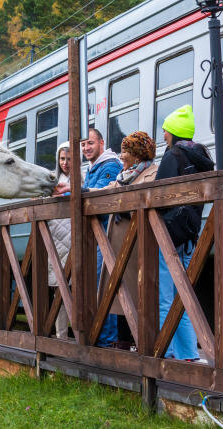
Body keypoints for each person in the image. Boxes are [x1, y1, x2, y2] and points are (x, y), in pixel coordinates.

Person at [156, 105, 214, 361]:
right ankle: (188, 353)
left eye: (166, 131)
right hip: (190, 233)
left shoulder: (173, 157)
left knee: (166, 296)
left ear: (174, 132)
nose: (164, 136)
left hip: (169, 233)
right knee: (185, 295)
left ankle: (166, 352)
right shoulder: (202, 157)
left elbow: (157, 196)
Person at [98, 132, 159, 347]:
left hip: (139, 243)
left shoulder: (152, 173)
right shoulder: (125, 174)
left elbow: (149, 204)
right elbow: (108, 191)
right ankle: (124, 342)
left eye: (126, 151)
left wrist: (124, 210)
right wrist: (87, 192)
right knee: (121, 291)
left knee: (138, 293)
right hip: (121, 243)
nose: (121, 155)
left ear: (137, 154)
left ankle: (141, 342)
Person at [79, 128, 123, 347]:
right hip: (98, 235)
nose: (86, 148)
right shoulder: (93, 167)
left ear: (101, 143)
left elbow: (100, 201)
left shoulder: (110, 165)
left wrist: (75, 192)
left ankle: (107, 341)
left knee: (103, 287)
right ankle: (102, 338)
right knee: (98, 287)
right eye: (83, 145)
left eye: (90, 143)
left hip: (106, 235)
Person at [47, 141, 72, 339]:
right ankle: (61, 336)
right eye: (62, 158)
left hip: (73, 237)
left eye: (69, 158)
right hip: (57, 238)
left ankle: (77, 336)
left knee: (75, 289)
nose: (65, 162)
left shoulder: (81, 178)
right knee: (60, 291)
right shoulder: (54, 180)